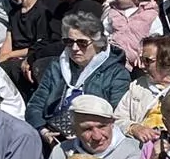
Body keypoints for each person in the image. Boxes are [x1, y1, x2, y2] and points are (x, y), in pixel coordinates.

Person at [27, 13, 131, 143]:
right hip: (53, 132)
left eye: (82, 43)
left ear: (98, 43)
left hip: (93, 136)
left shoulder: (116, 73)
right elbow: (35, 105)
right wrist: (43, 131)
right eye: (69, 42)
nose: (75, 48)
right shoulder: (57, 66)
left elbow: (116, 115)